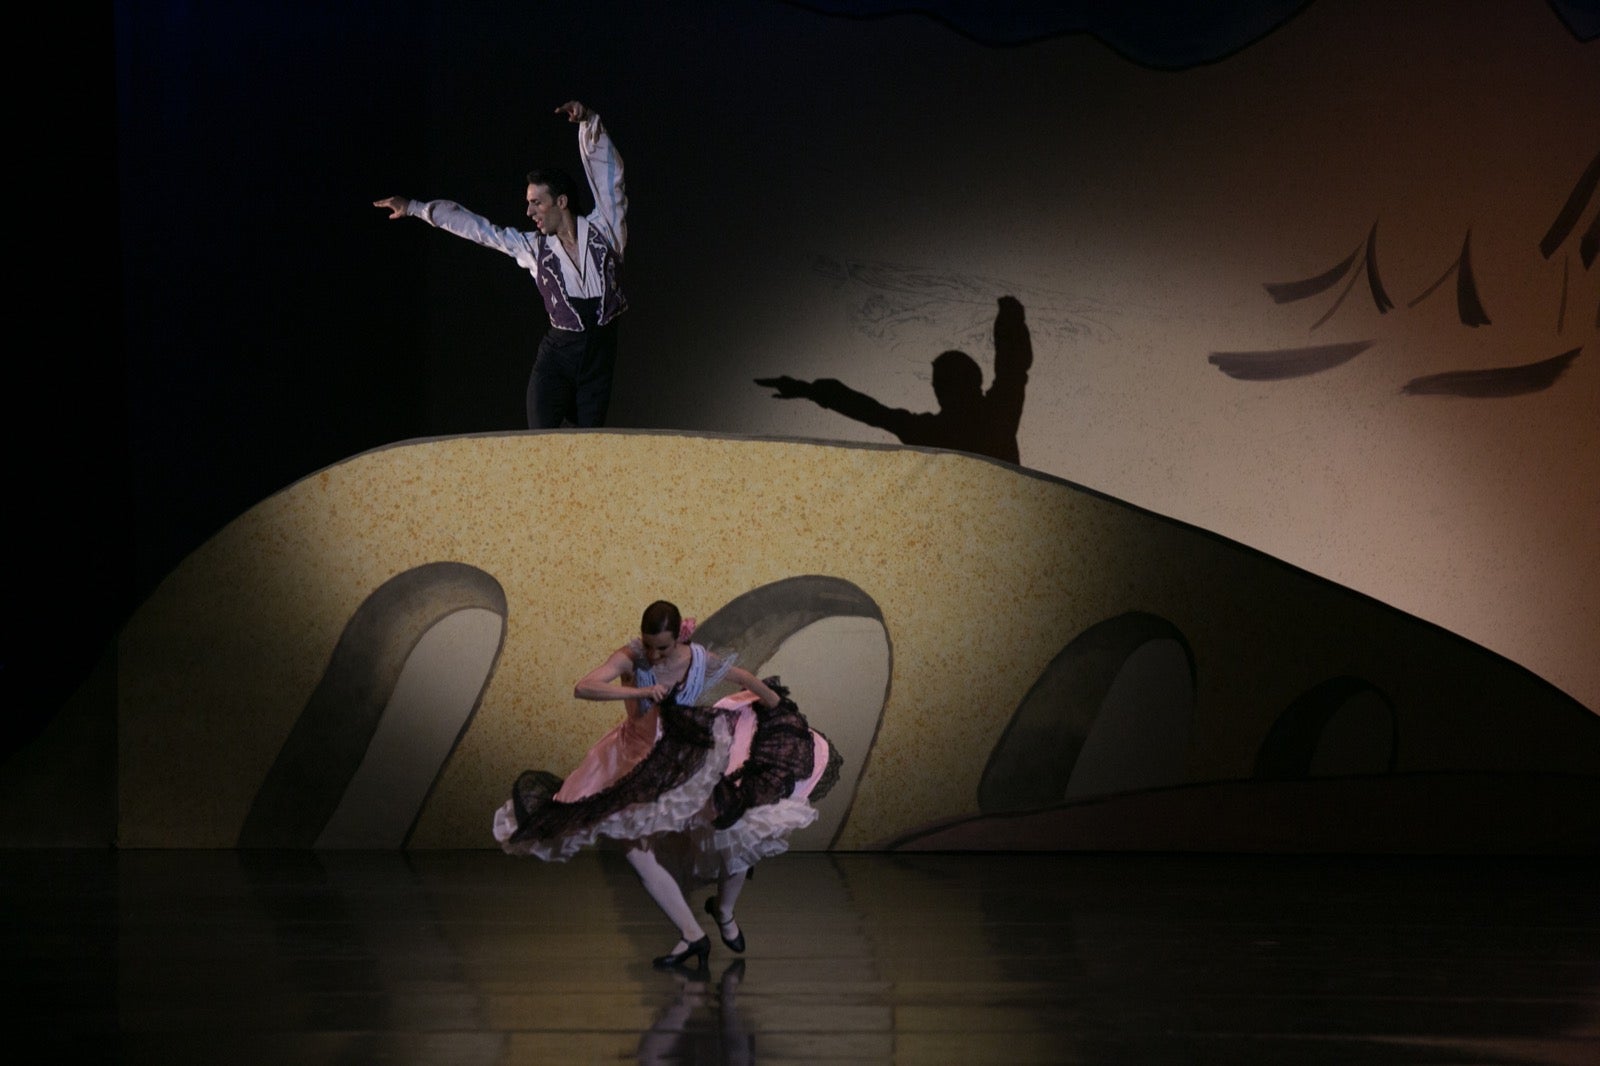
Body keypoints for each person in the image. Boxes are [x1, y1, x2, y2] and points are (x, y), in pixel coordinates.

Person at [491, 600, 840, 970]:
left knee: (739, 826)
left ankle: (723, 911)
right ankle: (692, 935)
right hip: (636, 759)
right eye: (650, 645)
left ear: (680, 638)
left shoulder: (697, 658)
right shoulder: (632, 658)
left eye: (664, 647)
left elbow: (742, 677)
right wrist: (639, 693)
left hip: (685, 757)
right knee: (633, 847)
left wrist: (779, 709)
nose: (655, 654)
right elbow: (584, 687)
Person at [373, 99, 627, 429]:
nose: (529, 212)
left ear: (561, 202)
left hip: (597, 366)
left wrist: (589, 124)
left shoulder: (605, 230)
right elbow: (481, 230)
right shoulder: (534, 249)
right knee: (540, 447)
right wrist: (414, 208)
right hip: (556, 362)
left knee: (588, 452)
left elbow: (611, 181)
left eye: (536, 202)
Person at [755, 295, 1033, 464]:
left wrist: (1010, 317)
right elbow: (869, 411)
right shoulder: (991, 414)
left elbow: (1012, 367)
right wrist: (809, 390)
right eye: (938, 386)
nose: (939, 392)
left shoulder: (990, 416)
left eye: (943, 385)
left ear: (965, 384)